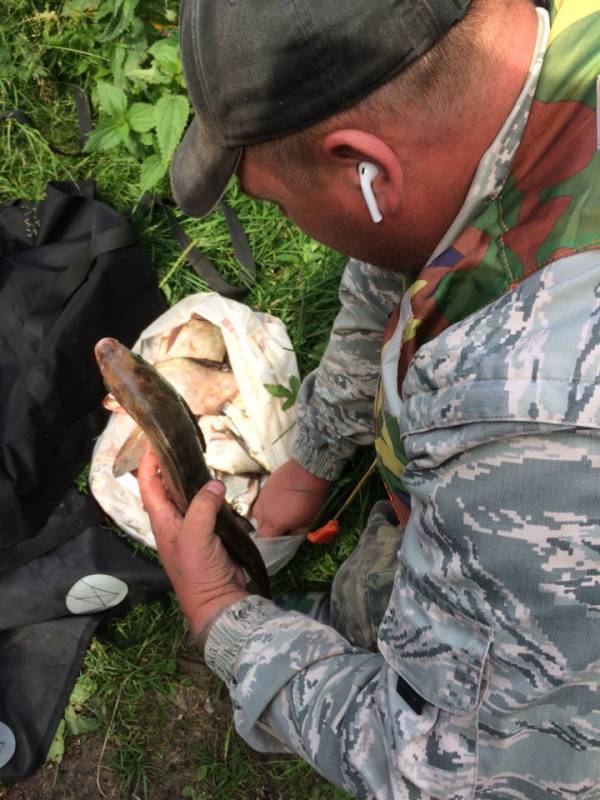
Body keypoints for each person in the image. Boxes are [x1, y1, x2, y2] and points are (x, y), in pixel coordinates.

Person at [138, 0, 600, 796]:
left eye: (276, 201)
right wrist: (311, 458)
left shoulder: (525, 435)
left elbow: (448, 772)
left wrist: (223, 616)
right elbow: (402, 257)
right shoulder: (549, 38)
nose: (290, 220)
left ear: (366, 171)